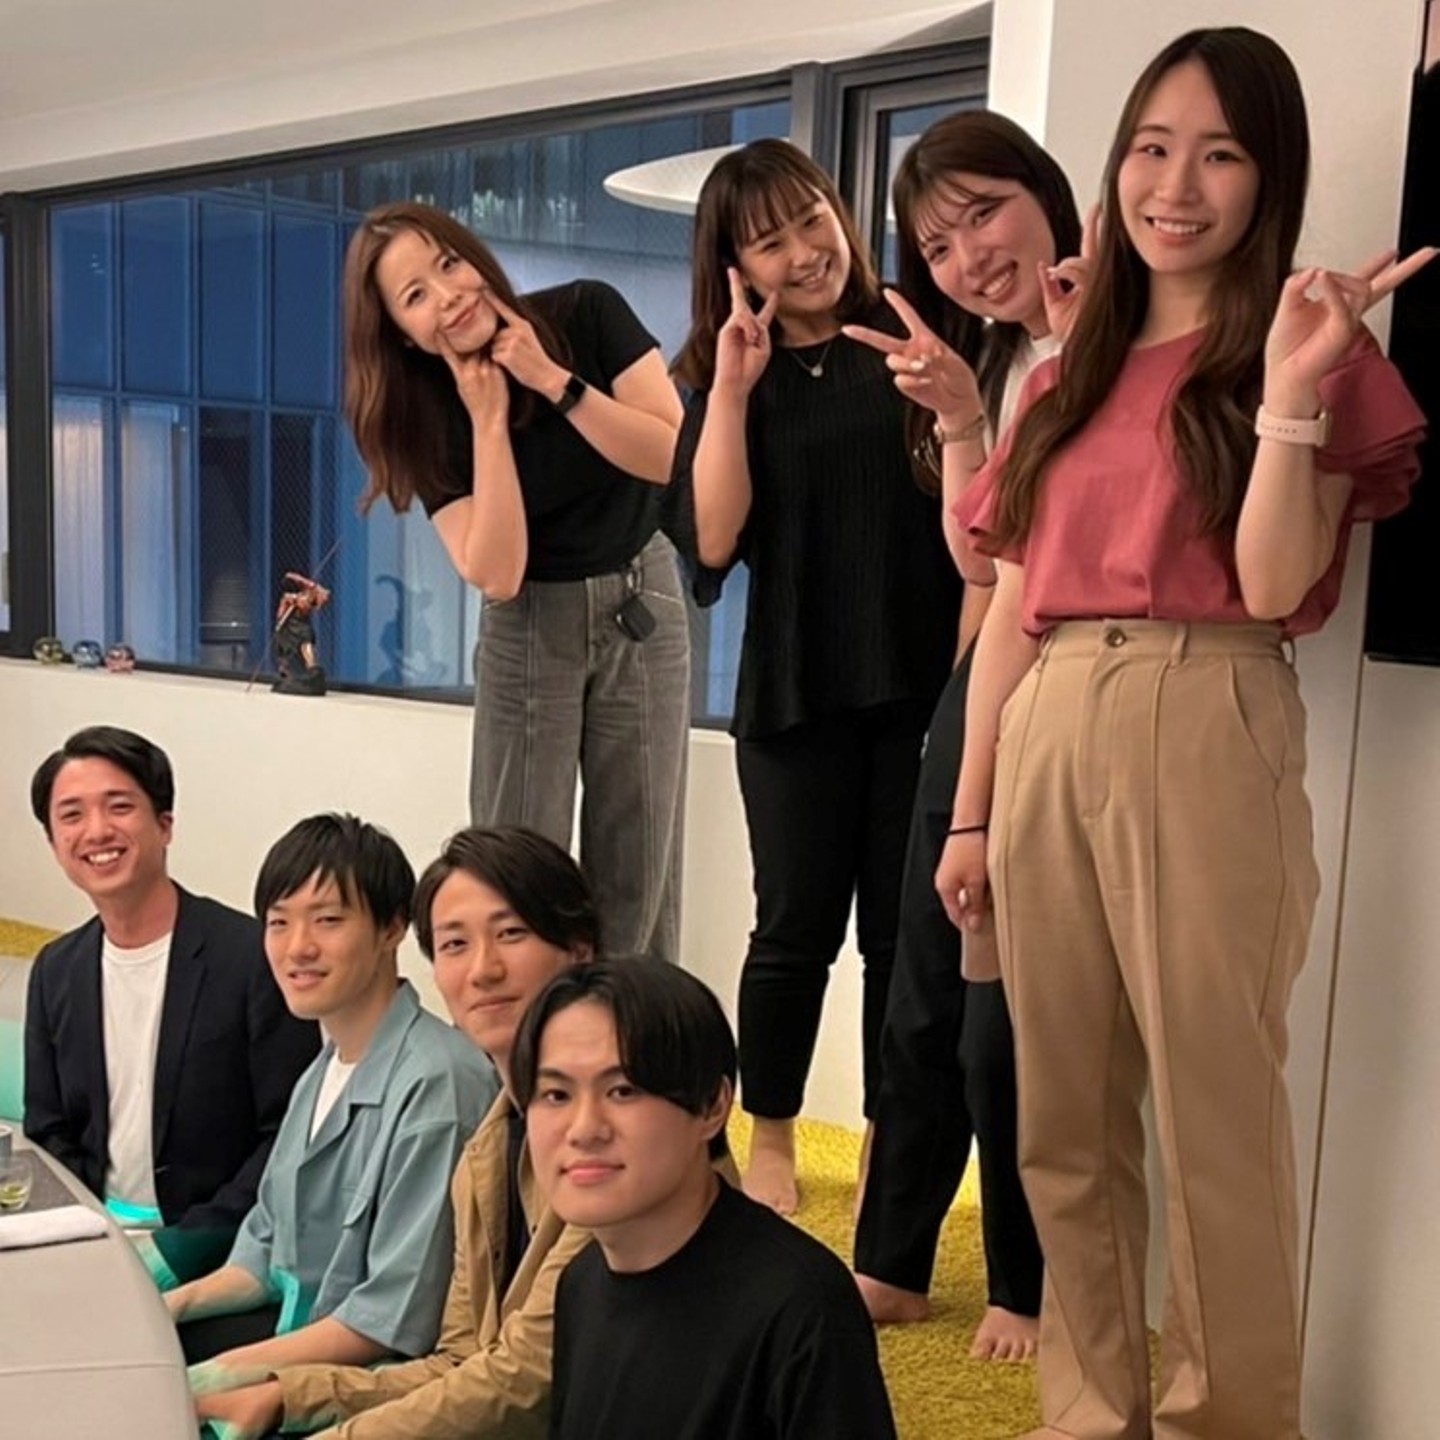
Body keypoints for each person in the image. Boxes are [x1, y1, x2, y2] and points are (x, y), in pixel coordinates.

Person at [937, 29, 1431, 1439]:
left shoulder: (1308, 348)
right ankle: (1092, 1414)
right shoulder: (1064, 374)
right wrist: (970, 810)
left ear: (1268, 177)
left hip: (1208, 705)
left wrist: (1292, 391)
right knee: (1063, 1120)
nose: (1176, 185)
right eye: (1152, 148)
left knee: (1216, 1118)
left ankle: (1234, 1422)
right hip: (1048, 719)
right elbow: (1012, 604)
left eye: (1219, 154)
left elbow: (1275, 588)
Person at [672, 139, 961, 1212]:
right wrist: (732, 391)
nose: (804, 253)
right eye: (770, 241)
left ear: (843, 213)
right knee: (793, 931)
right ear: (733, 265)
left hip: (921, 684)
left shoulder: (913, 334)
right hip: (794, 694)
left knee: (901, 936)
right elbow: (712, 542)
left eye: (813, 221)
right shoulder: (722, 377)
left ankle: (892, 1136)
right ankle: (775, 1133)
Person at [843, 109, 1082, 1355]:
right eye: (937, 244)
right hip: (981, 682)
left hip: (1078, 691)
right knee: (923, 986)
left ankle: (1024, 1282)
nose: (969, 256)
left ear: (1045, 194)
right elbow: (981, 564)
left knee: (1019, 1013)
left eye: (984, 213)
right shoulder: (989, 360)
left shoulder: (1115, 336)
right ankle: (890, 1262)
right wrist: (958, 417)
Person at [342, 203, 689, 966]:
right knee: (515, 869)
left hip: (643, 595)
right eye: (416, 296)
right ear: (402, 333)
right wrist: (489, 422)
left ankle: (632, 1031)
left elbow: (672, 456)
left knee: (640, 861)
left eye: (449, 264)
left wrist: (552, 381)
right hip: (529, 617)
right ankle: (528, 1036)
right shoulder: (419, 415)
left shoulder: (587, 312)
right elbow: (496, 572)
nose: (448, 296)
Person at [203, 826, 600, 1439]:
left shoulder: (586, 1134)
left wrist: (285, 1401)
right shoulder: (490, 1141)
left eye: (511, 934)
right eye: (455, 944)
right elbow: (462, 1358)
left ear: (579, 949)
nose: (484, 969)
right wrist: (284, 1397)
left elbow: (515, 1379)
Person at [169, 814, 496, 1417]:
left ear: (392, 927)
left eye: (327, 920)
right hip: (300, 1345)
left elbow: (390, 1318)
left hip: (376, 1395)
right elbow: (264, 1251)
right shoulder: (320, 1072)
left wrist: (204, 1380)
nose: (298, 947)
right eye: (279, 922)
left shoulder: (439, 1084)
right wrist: (164, 1309)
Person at [513, 959, 898, 1440]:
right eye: (555, 1095)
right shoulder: (580, 1284)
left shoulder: (801, 1308)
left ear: (713, 1106)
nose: (584, 1128)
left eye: (623, 1090)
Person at [24, 726, 319, 1286]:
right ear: (54, 842)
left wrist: (179, 1252)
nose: (97, 830)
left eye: (119, 806)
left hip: (223, 1256)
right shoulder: (55, 970)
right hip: (91, 1244)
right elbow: (47, 1131)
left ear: (165, 825)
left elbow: (289, 1134)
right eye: (72, 815)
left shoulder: (251, 957)